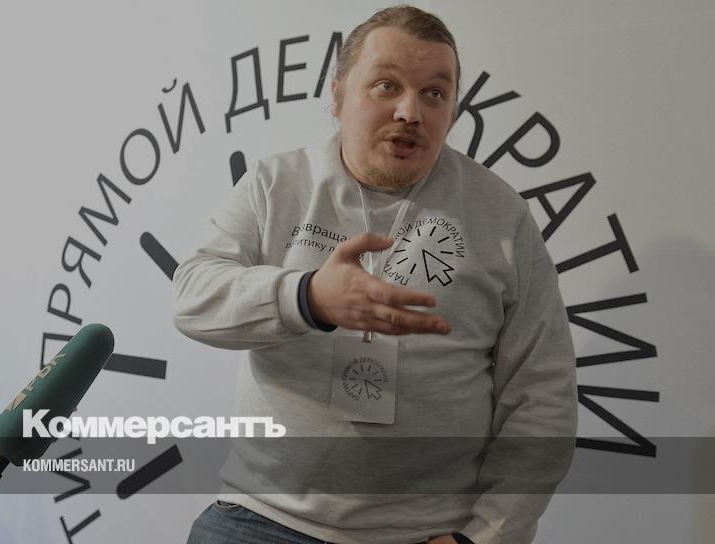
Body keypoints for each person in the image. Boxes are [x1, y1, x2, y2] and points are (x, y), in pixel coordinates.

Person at [172, 5, 577, 544]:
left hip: (423, 533)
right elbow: (193, 297)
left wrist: (486, 536)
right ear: (337, 96)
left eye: (435, 93)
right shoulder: (276, 183)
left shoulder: (503, 216)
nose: (410, 112)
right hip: (261, 518)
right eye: (387, 86)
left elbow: (542, 392)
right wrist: (307, 297)